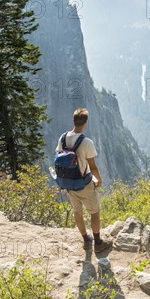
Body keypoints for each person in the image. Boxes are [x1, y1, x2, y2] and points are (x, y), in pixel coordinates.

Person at [56, 108, 111, 253]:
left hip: (68, 183)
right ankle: (98, 243)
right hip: (84, 184)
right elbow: (92, 166)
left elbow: (59, 158)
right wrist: (98, 179)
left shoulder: (63, 138)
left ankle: (86, 240)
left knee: (77, 212)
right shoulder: (87, 142)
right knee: (94, 212)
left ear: (73, 121)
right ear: (85, 122)